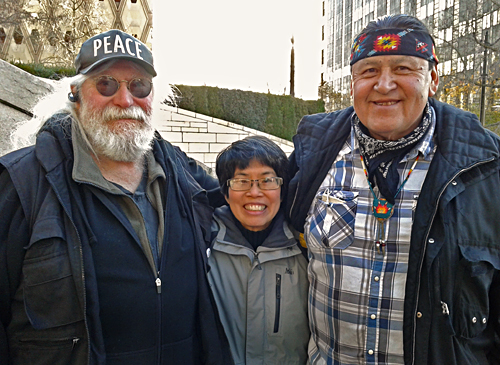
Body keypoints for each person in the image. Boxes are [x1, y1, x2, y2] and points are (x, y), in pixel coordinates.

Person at [0, 29, 232, 364]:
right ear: (75, 94)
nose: (125, 100)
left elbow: (250, 205)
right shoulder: (20, 184)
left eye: (139, 86)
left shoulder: (183, 175)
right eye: (106, 84)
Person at [286, 14, 500, 365]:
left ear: (431, 80)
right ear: (352, 83)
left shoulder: (486, 170)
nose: (384, 85)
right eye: (368, 71)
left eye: (402, 68)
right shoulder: (313, 155)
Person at [208, 136, 309, 364]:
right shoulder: (202, 245)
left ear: (282, 191)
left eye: (267, 181)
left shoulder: (307, 249)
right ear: (225, 193)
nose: (254, 192)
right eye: (241, 181)